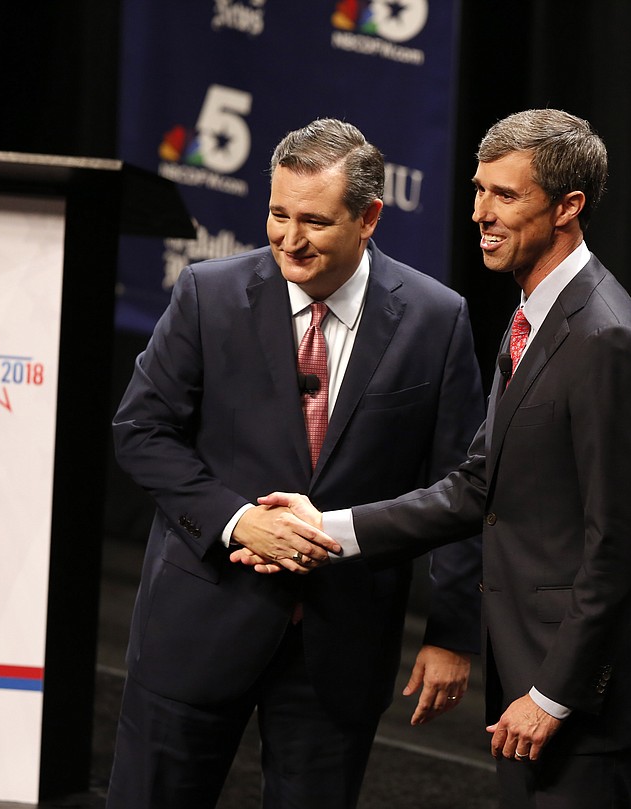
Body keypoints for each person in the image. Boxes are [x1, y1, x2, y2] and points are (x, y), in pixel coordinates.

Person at [240, 109, 631, 808]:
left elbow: (621, 545)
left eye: (505, 195)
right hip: (533, 671)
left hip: (581, 692)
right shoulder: (531, 315)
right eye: (479, 190)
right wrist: (327, 527)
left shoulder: (607, 339)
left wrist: (554, 693)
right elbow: (478, 484)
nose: (480, 212)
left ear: (568, 207)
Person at [106, 118, 485, 809]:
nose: (288, 237)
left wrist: (453, 633)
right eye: (278, 213)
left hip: (340, 646)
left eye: (313, 220)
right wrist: (238, 520)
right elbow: (140, 431)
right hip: (198, 622)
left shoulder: (437, 318)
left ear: (369, 217)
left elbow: (462, 484)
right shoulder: (207, 294)